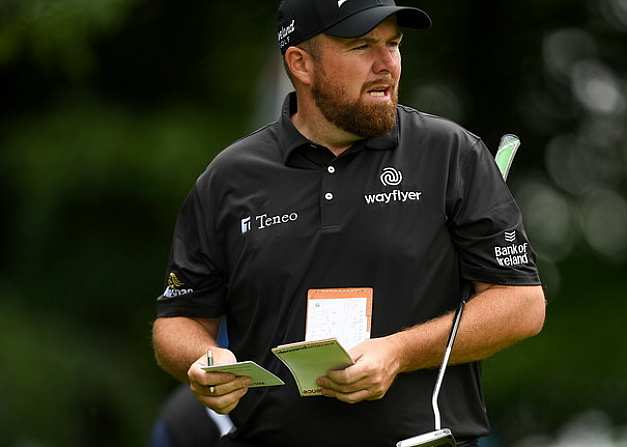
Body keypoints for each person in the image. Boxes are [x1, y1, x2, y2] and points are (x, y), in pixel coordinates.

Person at [151, 1, 546, 446]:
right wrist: (204, 358)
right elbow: (178, 318)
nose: (386, 64)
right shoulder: (230, 177)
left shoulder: (451, 153)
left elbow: (522, 304)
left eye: (393, 44)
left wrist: (398, 352)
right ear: (300, 63)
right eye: (361, 46)